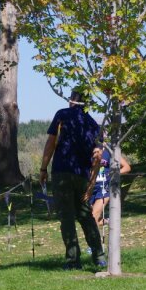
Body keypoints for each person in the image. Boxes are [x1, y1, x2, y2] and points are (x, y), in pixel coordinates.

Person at [39, 89, 105, 269]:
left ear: (73, 100)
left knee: (67, 218)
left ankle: (73, 261)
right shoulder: (93, 124)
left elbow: (51, 143)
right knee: (86, 216)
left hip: (62, 173)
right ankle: (99, 256)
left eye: (71, 98)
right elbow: (97, 157)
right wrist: (91, 184)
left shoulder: (62, 115)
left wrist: (43, 168)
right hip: (82, 176)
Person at [85, 145, 131, 227]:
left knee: (93, 216)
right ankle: (107, 221)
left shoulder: (108, 150)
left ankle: (96, 238)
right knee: (88, 218)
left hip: (104, 187)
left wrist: (111, 174)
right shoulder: (86, 148)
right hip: (90, 188)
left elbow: (126, 167)